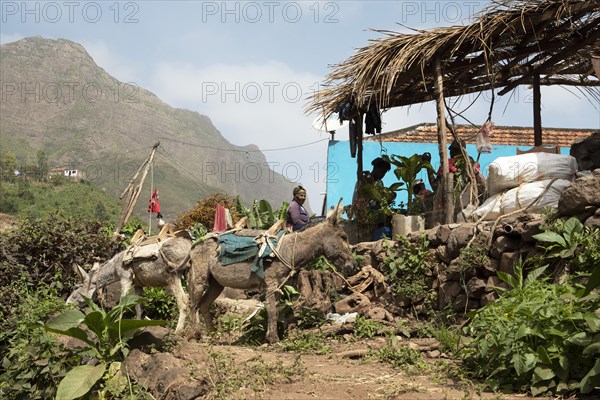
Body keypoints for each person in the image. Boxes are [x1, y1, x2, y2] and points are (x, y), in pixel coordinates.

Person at [351, 157, 394, 240]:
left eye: (384, 173)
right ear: (375, 167)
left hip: (373, 208)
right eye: (382, 171)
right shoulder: (365, 179)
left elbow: (380, 199)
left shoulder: (379, 182)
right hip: (363, 210)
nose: (382, 175)